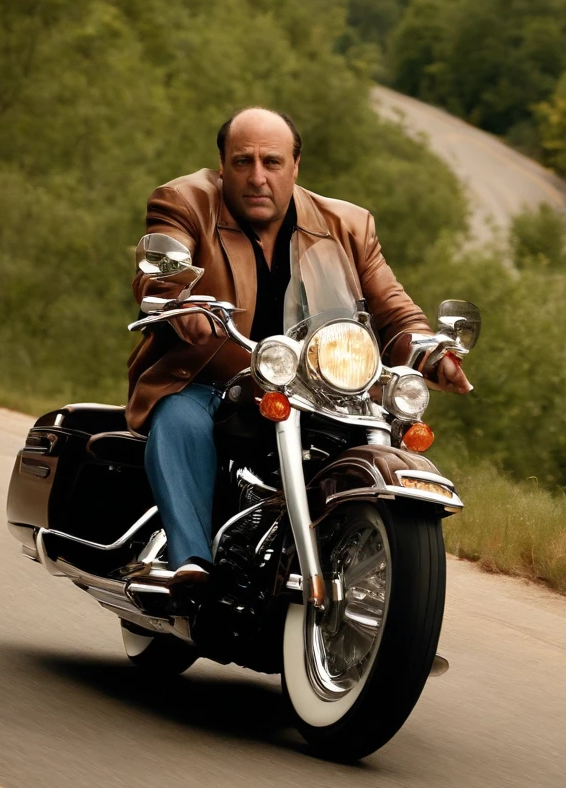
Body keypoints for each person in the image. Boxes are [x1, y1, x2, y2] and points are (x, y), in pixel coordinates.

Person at [128, 106, 472, 588]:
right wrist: (177, 300)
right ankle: (190, 563)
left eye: (271, 162)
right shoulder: (184, 201)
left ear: (295, 166)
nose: (257, 177)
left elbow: (395, 312)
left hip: (320, 386)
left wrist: (431, 353)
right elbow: (161, 265)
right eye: (243, 162)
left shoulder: (348, 225)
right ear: (222, 165)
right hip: (212, 379)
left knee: (380, 432)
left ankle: (378, 585)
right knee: (178, 418)